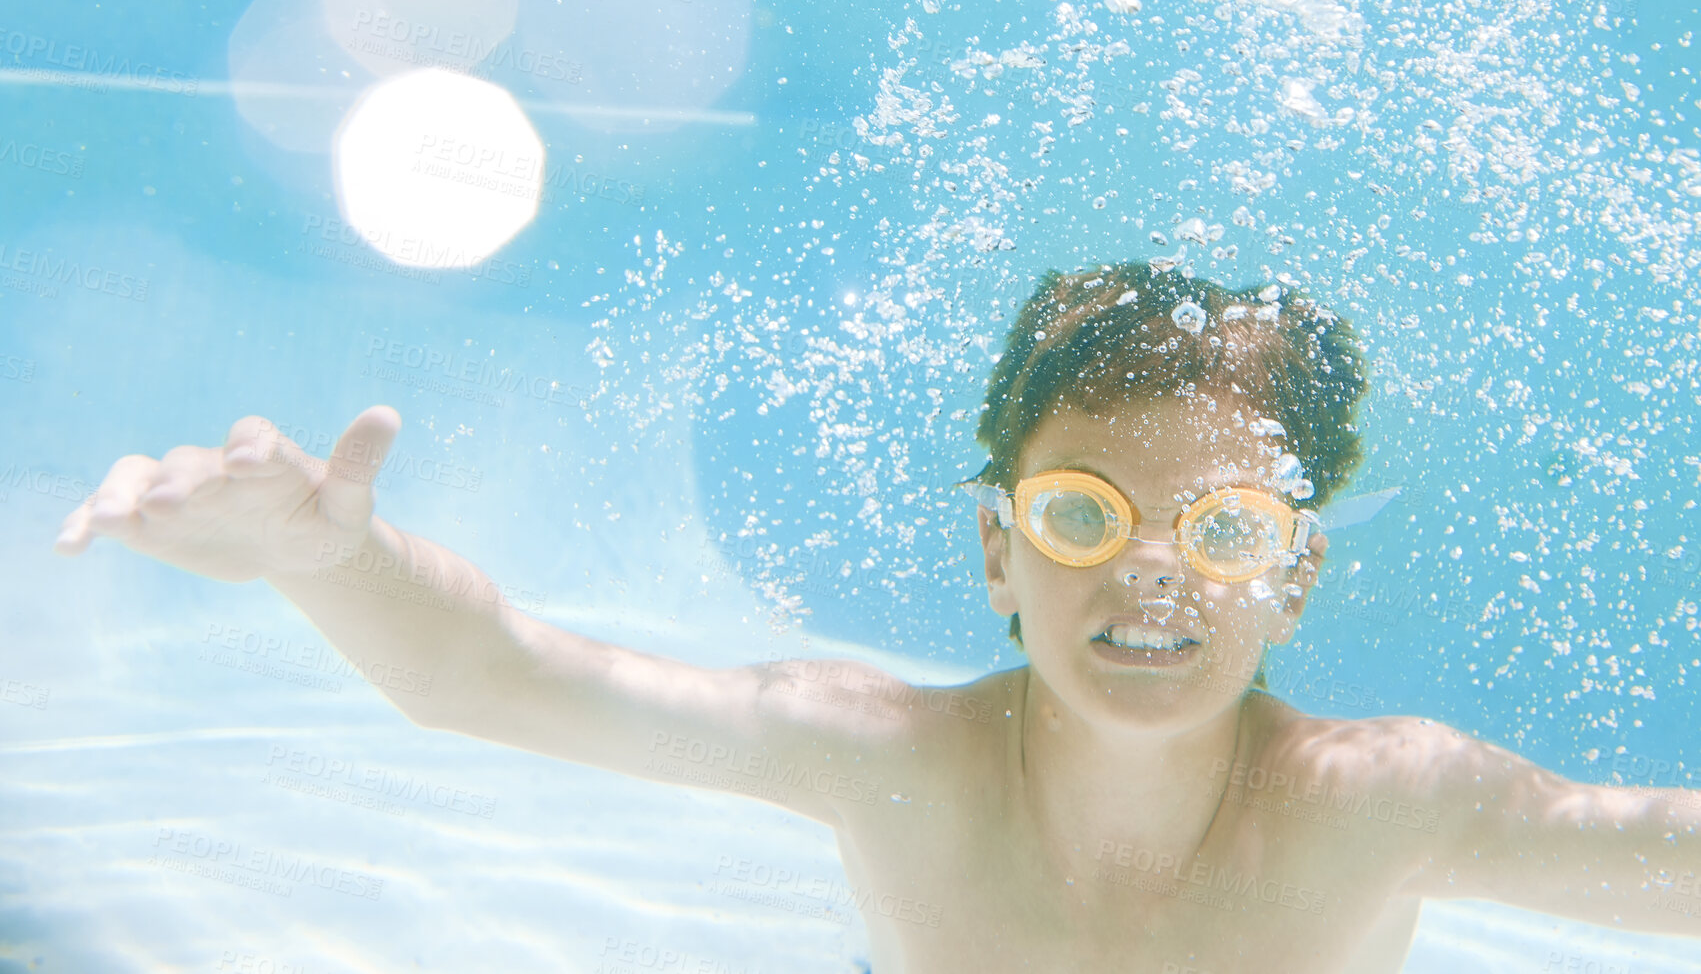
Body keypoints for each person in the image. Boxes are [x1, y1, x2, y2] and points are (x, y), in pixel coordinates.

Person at [56, 261, 1700, 972]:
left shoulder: (1378, 803)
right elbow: (498, 677)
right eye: (1080, 516)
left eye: (1226, 529)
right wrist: (323, 557)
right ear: (995, 553)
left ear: (1295, 573)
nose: (1150, 572)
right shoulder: (887, 760)